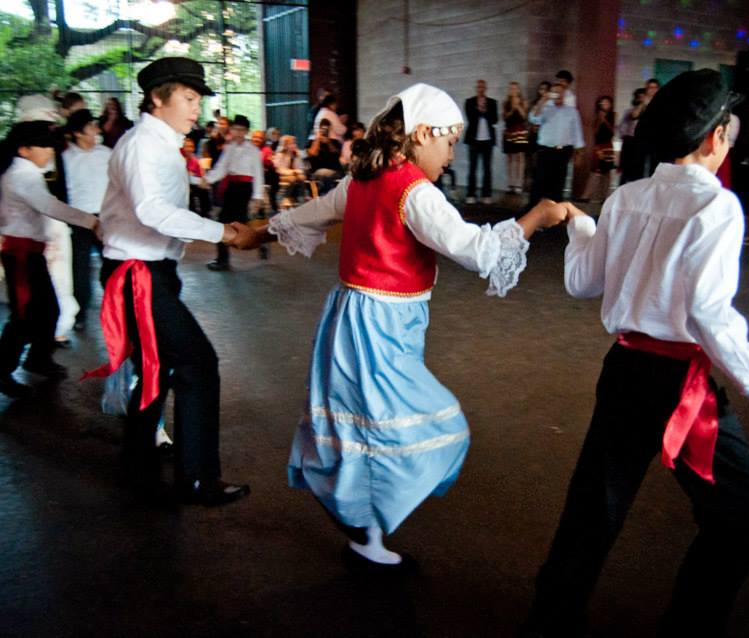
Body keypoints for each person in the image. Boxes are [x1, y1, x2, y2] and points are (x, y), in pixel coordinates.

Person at [245, 83, 567, 570]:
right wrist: (537, 216)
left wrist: (261, 229)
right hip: (378, 326)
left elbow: (314, 211)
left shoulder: (363, 180)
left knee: (370, 426)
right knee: (427, 423)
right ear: (420, 134)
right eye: (449, 141)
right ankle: (358, 519)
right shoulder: (415, 192)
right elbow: (476, 250)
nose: (452, 153)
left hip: (356, 317)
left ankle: (363, 529)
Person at [522, 69, 749, 638]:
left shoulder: (625, 198)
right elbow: (709, 314)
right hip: (677, 383)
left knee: (594, 506)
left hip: (623, 371)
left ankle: (550, 620)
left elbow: (582, 284)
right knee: (739, 507)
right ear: (713, 137)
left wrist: (584, 229)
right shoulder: (716, 207)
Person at [83, 57, 255, 506]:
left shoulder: (161, 143)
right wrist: (225, 233)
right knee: (198, 363)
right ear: (158, 99)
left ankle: (137, 461)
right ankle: (197, 478)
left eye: (198, 99)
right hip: (138, 274)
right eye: (189, 98)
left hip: (151, 269)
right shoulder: (144, 144)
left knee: (158, 368)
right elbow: (152, 211)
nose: (197, 108)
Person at [0, 120, 100, 399]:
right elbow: (49, 206)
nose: (49, 152)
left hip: (29, 252)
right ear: (24, 150)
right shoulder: (21, 176)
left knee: (48, 310)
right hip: (21, 256)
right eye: (44, 146)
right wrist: (91, 221)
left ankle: (38, 358)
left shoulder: (25, 172)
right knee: (23, 318)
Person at [62, 108, 112, 334]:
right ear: (77, 133)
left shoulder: (106, 153)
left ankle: (118, 309)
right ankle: (80, 313)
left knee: (113, 265)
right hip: (79, 219)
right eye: (91, 126)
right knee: (79, 269)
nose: (96, 130)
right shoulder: (65, 158)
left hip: (108, 218)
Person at [203, 114, 264, 271]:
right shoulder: (228, 148)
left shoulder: (253, 150)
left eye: (242, 130)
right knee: (224, 223)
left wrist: (257, 197)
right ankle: (223, 260)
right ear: (232, 130)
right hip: (231, 188)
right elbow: (221, 168)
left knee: (240, 223)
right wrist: (208, 179)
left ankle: (259, 241)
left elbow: (258, 174)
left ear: (246, 131)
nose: (238, 133)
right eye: (235, 129)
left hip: (244, 189)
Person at [528, 80, 584, 205]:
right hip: (545, 150)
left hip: (563, 151)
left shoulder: (572, 111)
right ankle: (531, 210)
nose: (558, 95)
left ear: (564, 95)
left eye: (561, 93)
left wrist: (579, 153)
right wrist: (543, 100)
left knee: (558, 182)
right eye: (555, 92)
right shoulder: (545, 108)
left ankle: (554, 213)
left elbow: (577, 132)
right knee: (539, 181)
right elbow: (534, 118)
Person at [463, 79, 498, 204]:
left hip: (487, 140)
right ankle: (471, 194)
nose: (481, 89)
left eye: (483, 86)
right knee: (472, 168)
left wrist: (485, 111)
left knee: (487, 168)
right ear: (476, 88)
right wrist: (479, 109)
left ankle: (486, 194)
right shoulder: (469, 102)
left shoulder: (492, 102)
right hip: (473, 140)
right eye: (478, 86)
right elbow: (470, 118)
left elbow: (495, 120)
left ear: (486, 88)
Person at [583, 95, 616, 203]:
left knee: (606, 173)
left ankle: (605, 197)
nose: (605, 105)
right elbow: (595, 132)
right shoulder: (597, 116)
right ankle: (587, 195)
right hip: (599, 147)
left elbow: (612, 132)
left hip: (608, 146)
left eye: (607, 103)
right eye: (603, 103)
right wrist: (600, 119)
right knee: (595, 171)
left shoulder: (613, 115)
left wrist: (605, 120)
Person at [502, 81, 529, 194]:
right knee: (510, 158)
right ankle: (510, 183)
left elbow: (524, 117)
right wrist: (512, 108)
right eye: (511, 88)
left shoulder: (524, 102)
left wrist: (518, 106)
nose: (513, 90)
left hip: (520, 131)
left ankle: (518, 184)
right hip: (509, 131)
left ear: (518, 90)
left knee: (520, 157)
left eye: (515, 88)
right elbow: (504, 117)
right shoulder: (505, 103)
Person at [306, 119, 342, 194]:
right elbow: (312, 153)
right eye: (322, 129)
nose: (325, 131)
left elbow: (337, 153)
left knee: (328, 175)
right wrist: (318, 139)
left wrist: (329, 143)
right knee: (323, 174)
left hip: (334, 170)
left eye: (326, 129)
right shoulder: (312, 142)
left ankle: (328, 195)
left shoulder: (335, 142)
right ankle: (325, 195)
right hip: (317, 171)